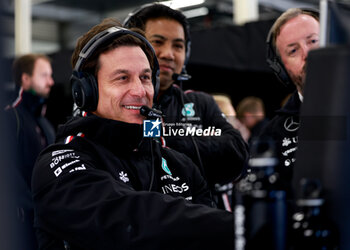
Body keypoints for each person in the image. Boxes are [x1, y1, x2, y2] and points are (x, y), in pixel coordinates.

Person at [31, 18, 235, 249]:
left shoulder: (180, 165)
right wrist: (242, 227)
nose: (140, 91)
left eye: (145, 78)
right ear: (87, 92)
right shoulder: (59, 164)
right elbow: (127, 218)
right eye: (122, 78)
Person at [123, 3, 249, 190]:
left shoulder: (201, 104)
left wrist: (165, 139)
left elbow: (237, 153)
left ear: (187, 53)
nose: (169, 54)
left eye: (178, 46)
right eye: (158, 42)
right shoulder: (118, 104)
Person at [258, 8, 320, 185]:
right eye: (293, 51)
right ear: (282, 70)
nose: (307, 55)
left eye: (314, 41)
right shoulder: (271, 135)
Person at [4, 53, 55, 250]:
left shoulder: (45, 123)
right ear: (25, 79)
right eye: (44, 75)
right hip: (21, 226)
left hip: (46, 225)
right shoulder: (10, 118)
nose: (51, 82)